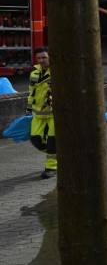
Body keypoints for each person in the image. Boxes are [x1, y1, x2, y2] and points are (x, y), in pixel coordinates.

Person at [27, 47, 56, 179]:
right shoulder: (34, 73)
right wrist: (28, 109)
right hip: (38, 114)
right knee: (35, 140)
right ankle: (63, 153)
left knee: (52, 141)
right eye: (39, 58)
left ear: (50, 57)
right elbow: (31, 92)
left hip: (54, 114)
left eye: (44, 57)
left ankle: (51, 168)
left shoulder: (57, 71)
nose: (41, 60)